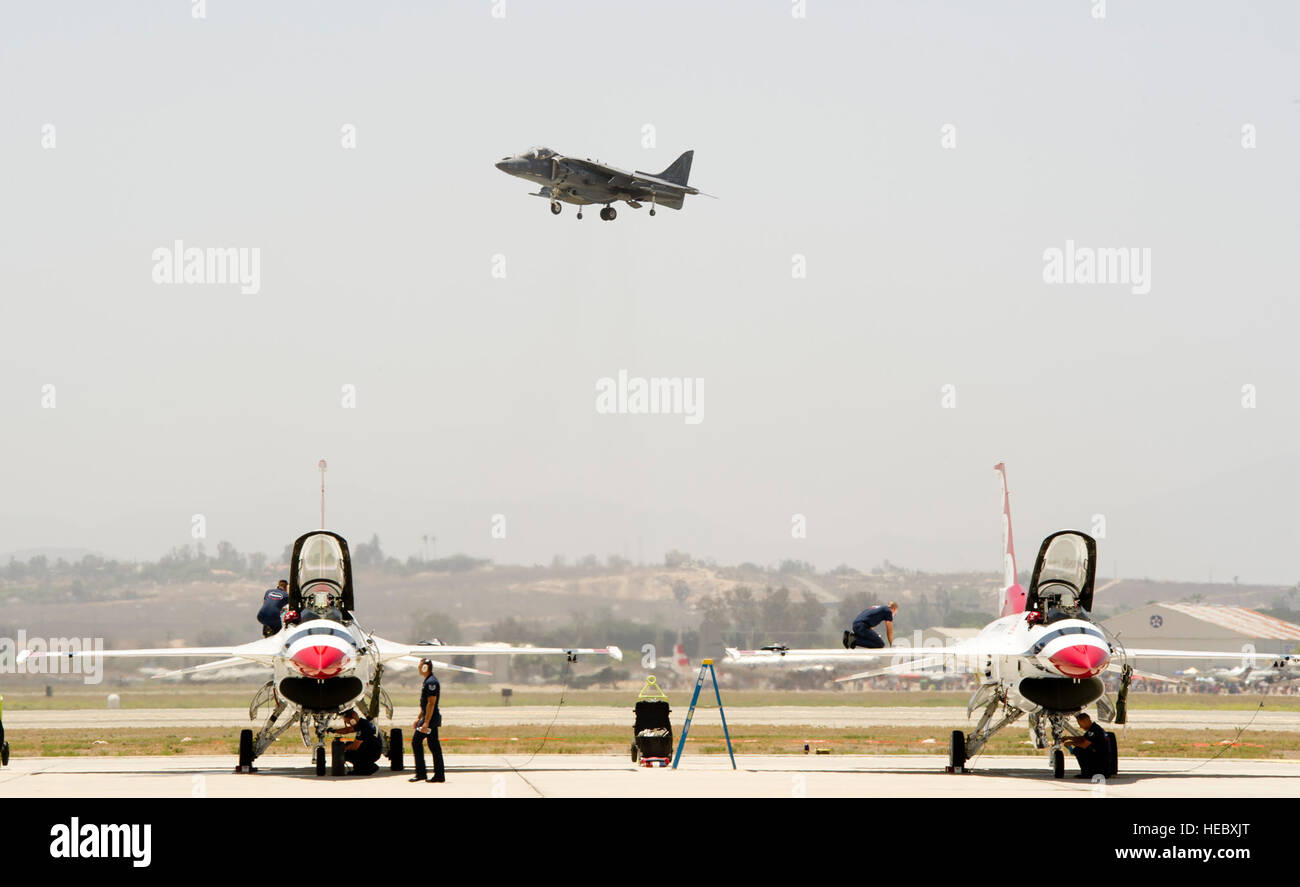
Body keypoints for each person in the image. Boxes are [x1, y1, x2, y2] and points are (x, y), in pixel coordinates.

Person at [410, 659, 445, 783]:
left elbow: (431, 703)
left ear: (425, 668)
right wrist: (419, 718)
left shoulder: (431, 682)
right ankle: (439, 775)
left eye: (420, 666)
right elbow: (425, 705)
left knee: (416, 742)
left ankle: (421, 773)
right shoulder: (428, 681)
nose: (418, 668)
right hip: (429, 718)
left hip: (430, 719)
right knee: (434, 745)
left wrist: (425, 722)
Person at [332, 709, 382, 776]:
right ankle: (366, 765)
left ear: (353, 720)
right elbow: (348, 730)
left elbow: (355, 746)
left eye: (349, 723)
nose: (349, 724)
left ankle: (367, 768)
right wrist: (335, 731)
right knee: (349, 745)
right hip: (372, 749)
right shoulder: (363, 723)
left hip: (372, 752)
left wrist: (341, 750)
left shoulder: (363, 727)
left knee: (348, 754)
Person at [1062, 712, 1109, 778]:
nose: (1080, 726)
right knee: (1080, 747)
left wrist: (1071, 743)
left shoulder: (1093, 730)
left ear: (1084, 722)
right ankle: (1089, 772)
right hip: (1101, 757)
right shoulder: (1094, 728)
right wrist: (1069, 738)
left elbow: (1084, 744)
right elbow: (1083, 739)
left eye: (1080, 724)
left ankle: (1087, 773)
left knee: (1079, 750)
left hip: (1100, 759)